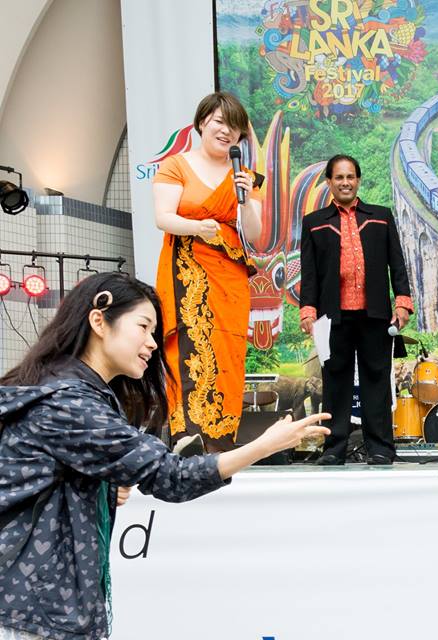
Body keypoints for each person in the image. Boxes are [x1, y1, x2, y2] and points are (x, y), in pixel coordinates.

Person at [0, 272, 328, 640]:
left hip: (36, 608)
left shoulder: (66, 392)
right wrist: (264, 445)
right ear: (98, 321)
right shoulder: (69, 404)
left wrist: (103, 487)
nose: (152, 343)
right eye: (143, 327)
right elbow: (170, 475)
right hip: (32, 614)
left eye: (154, 332)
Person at [152, 91, 264, 452]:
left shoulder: (244, 175)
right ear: (202, 122)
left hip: (229, 274)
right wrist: (196, 228)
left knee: (227, 350)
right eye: (219, 122)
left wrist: (245, 200)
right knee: (189, 348)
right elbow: (163, 217)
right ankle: (187, 440)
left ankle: (222, 445)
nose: (226, 131)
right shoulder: (176, 165)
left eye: (234, 127)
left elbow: (255, 233)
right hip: (187, 271)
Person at [299, 155, 414, 465]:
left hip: (375, 313)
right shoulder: (314, 222)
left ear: (358, 180)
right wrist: (308, 310)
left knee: (377, 380)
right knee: (335, 381)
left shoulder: (380, 217)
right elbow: (309, 274)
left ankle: (380, 448)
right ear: (329, 182)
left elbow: (397, 264)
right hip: (331, 315)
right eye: (339, 177)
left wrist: (402, 302)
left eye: (350, 177)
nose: (345, 182)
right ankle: (334, 448)